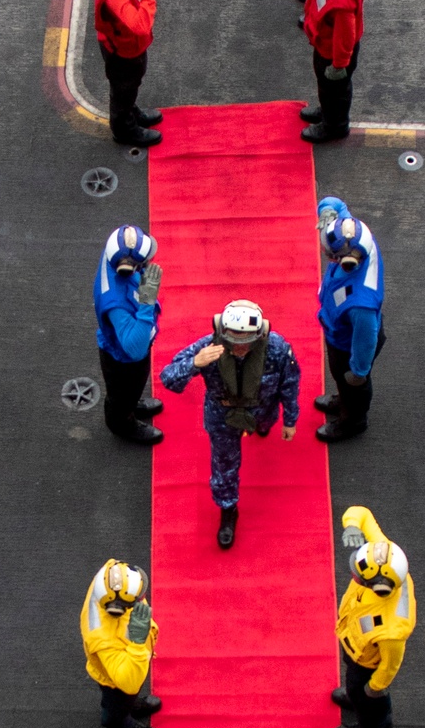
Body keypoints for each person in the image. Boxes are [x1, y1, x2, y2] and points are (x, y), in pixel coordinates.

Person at [159, 300, 300, 549]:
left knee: (265, 425)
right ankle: (228, 509)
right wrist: (195, 364)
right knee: (224, 467)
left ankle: (262, 428)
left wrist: (290, 420)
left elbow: (289, 384)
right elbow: (168, 378)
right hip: (222, 416)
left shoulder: (277, 348)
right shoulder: (209, 346)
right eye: (233, 341)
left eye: (246, 341)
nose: (240, 348)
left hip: (262, 409)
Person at [333, 506, 415, 728]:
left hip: (367, 662)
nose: (355, 576)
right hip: (354, 643)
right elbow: (363, 514)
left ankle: (374, 724)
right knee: (353, 686)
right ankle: (355, 696)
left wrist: (375, 687)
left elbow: (390, 664)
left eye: (360, 577)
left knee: (365, 693)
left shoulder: (392, 629)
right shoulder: (386, 557)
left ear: (378, 587)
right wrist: (352, 524)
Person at [314, 212, 385, 442]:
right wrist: (327, 211)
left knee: (352, 384)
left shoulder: (361, 303)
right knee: (342, 380)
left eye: (329, 253)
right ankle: (343, 399)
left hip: (347, 344)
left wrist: (358, 371)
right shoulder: (360, 238)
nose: (324, 253)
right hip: (341, 332)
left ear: (345, 261)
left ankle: (353, 421)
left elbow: (366, 339)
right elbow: (337, 205)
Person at [94, 224, 164, 446]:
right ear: (129, 268)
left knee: (131, 391)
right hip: (122, 360)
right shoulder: (116, 303)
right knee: (122, 394)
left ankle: (131, 405)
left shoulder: (114, 257)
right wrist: (147, 303)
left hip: (124, 351)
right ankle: (122, 422)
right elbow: (135, 348)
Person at [95, 0, 162, 147]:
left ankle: (130, 112)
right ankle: (124, 129)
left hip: (123, 43)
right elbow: (141, 25)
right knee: (125, 88)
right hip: (124, 51)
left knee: (129, 88)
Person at [81, 559, 161, 728]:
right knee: (117, 704)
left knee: (125, 701)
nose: (143, 597)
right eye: (139, 597)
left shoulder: (107, 581)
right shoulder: (104, 639)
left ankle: (130, 706)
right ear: (118, 608)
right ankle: (119, 725)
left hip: (123, 664)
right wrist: (138, 644)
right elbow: (128, 682)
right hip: (116, 681)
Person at [299, 0, 364, 144]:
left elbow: (345, 36)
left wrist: (338, 65)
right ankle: (328, 111)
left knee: (334, 88)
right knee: (327, 89)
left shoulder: (342, 1)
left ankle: (335, 126)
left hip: (332, 53)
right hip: (326, 43)